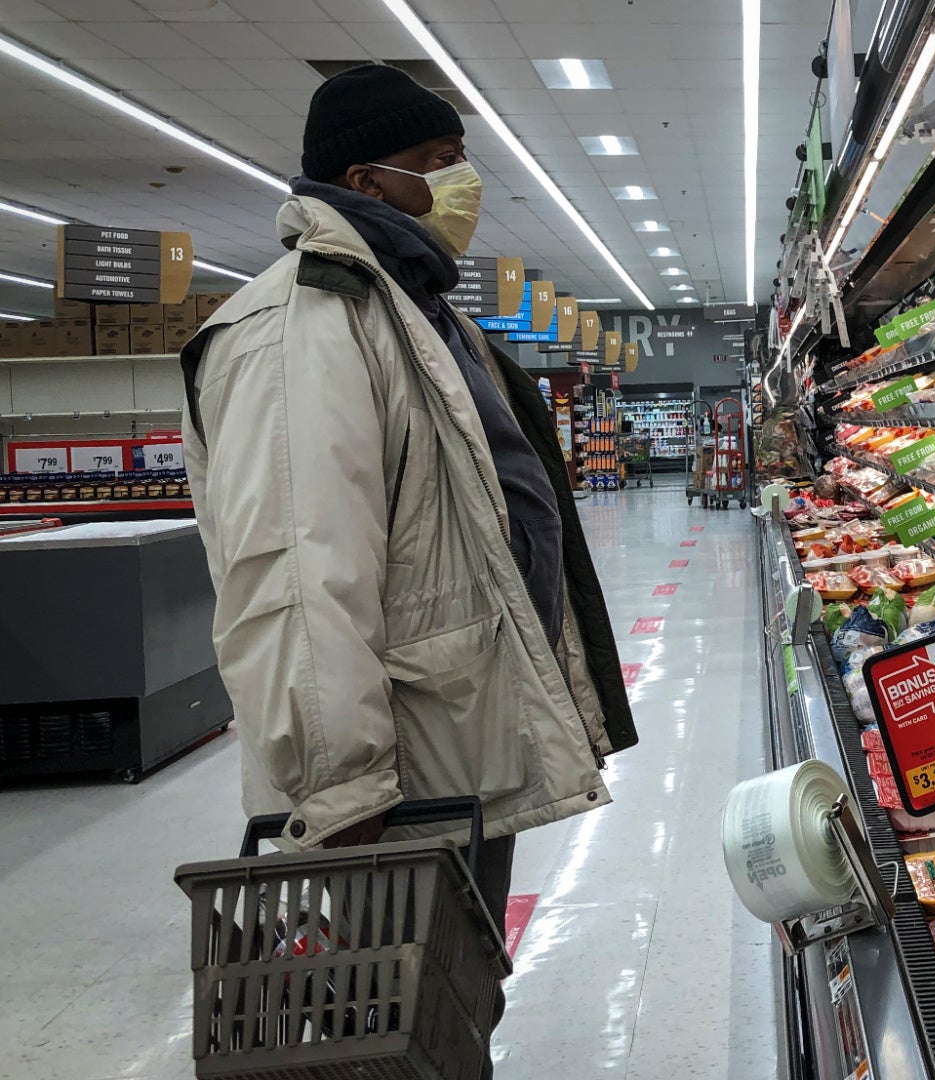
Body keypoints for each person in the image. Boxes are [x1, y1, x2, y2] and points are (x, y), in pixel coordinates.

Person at [180, 62, 636, 981]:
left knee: (456, 1002)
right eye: (441, 158)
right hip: (395, 774)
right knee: (394, 1012)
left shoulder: (416, 313)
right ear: (366, 182)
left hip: (456, 739)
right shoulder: (300, 328)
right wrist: (344, 792)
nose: (464, 183)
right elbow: (297, 576)